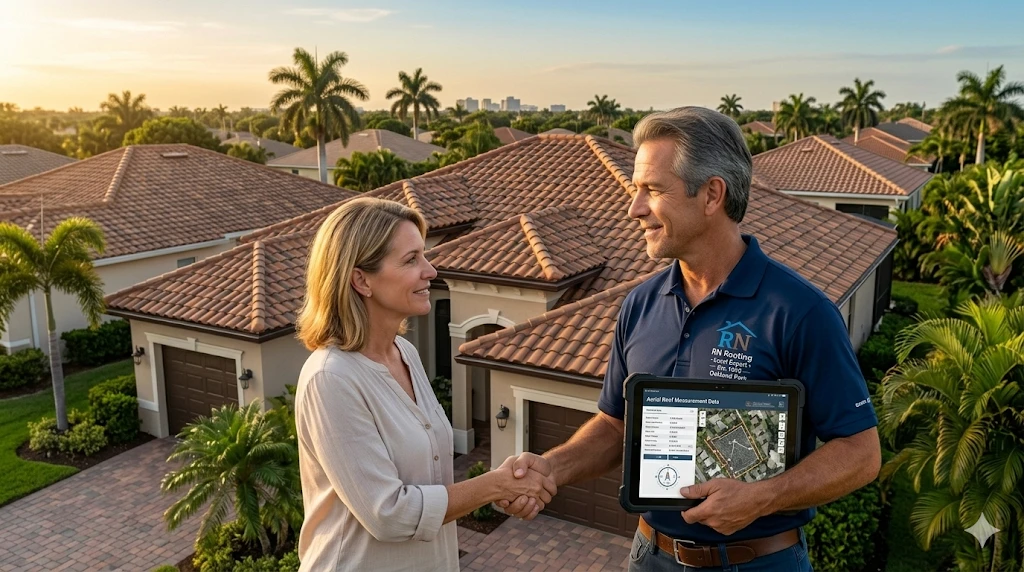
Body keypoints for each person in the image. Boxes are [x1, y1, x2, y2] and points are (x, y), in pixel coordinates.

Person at [499, 107, 881, 571]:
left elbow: (861, 454)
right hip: (649, 555)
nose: (634, 208)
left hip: (757, 562)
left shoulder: (799, 312)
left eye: (653, 190)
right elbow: (617, 425)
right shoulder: (640, 304)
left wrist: (761, 497)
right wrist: (552, 468)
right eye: (636, 190)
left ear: (712, 194)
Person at [293, 197, 556, 571]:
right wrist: (496, 485)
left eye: (425, 256)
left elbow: (428, 481)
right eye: (411, 259)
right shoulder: (331, 378)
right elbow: (389, 513)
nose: (430, 271)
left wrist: (504, 479)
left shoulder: (404, 352)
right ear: (361, 279)